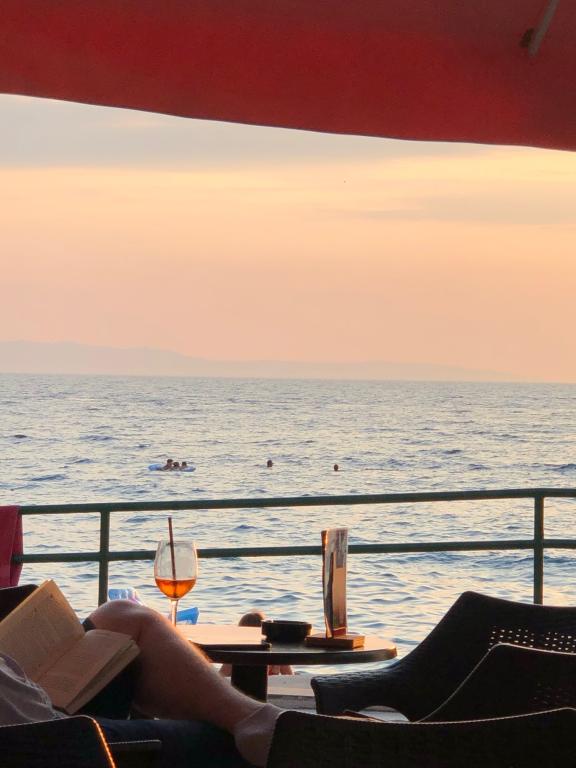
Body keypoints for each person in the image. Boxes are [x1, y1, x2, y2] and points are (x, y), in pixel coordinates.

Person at [0, 599, 282, 767]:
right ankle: (270, 734)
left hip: (22, 696)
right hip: (42, 740)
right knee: (223, 741)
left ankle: (252, 718)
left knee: (123, 617)